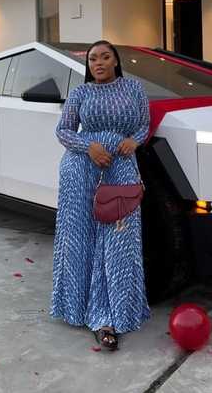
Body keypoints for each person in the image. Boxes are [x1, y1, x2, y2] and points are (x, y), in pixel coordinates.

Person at [51, 40, 151, 350]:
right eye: (93, 58)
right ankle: (87, 313)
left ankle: (117, 311)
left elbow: (144, 124)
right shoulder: (81, 93)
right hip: (80, 171)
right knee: (80, 239)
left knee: (119, 241)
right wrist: (88, 147)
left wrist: (134, 141)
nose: (99, 62)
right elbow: (63, 131)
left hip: (120, 168)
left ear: (116, 61)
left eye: (105, 57)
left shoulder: (133, 88)